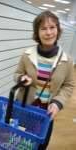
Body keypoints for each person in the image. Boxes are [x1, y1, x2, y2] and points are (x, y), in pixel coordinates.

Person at [14, 11, 74, 150]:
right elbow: (17, 74)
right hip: (24, 107)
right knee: (19, 140)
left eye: (52, 27)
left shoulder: (67, 60)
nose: (48, 32)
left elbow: (69, 85)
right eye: (43, 28)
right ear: (37, 32)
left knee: (40, 144)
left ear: (58, 30)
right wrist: (21, 78)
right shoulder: (27, 55)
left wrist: (58, 102)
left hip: (46, 113)